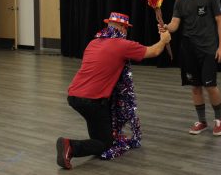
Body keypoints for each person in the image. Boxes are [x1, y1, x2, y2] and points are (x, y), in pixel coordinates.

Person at [56, 12, 171, 169]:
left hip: (74, 96)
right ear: (123, 28)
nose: (126, 32)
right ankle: (70, 146)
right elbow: (154, 51)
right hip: (93, 101)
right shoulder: (123, 45)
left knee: (98, 131)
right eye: (126, 29)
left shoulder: (93, 43)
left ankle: (88, 142)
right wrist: (164, 40)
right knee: (105, 145)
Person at [160, 0, 221, 136]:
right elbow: (175, 24)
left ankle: (219, 118)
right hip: (188, 49)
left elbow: (220, 21)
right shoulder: (180, 1)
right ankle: (202, 121)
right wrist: (166, 26)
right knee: (195, 86)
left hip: (208, 48)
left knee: (210, 85)